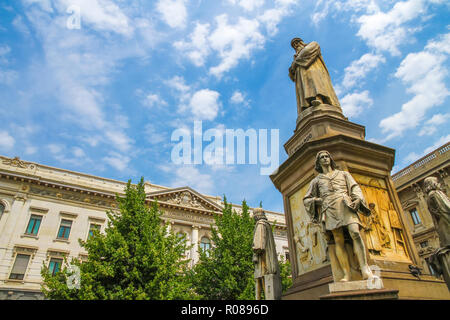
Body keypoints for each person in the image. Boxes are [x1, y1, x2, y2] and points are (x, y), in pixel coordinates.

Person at [303, 150, 374, 281]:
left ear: (330, 159)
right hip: (329, 208)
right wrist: (317, 201)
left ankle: (364, 268)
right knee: (338, 240)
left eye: (327, 156)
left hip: (345, 204)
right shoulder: (316, 181)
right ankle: (346, 274)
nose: (325, 159)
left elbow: (355, 188)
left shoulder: (343, 174)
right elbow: (306, 199)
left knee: (355, 233)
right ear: (318, 162)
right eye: (322, 158)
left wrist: (358, 199)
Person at [289, 38, 340, 114]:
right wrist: (293, 66)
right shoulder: (296, 57)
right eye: (294, 45)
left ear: (302, 42)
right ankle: (307, 105)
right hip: (301, 76)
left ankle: (320, 99)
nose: (296, 45)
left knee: (315, 82)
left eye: (297, 42)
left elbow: (307, 51)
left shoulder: (313, 44)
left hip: (314, 69)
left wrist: (295, 62)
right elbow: (291, 74)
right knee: (304, 88)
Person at [424, 176, 450, 290]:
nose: (438, 183)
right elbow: (447, 208)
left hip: (442, 227)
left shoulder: (429, 197)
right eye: (436, 181)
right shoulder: (435, 194)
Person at [252, 208, 282, 300]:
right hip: (267, 258)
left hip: (262, 259)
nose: (253, 216)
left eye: (254, 214)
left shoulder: (261, 225)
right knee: (262, 280)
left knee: (261, 280)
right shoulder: (267, 225)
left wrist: (254, 249)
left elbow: (259, 245)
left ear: (257, 215)